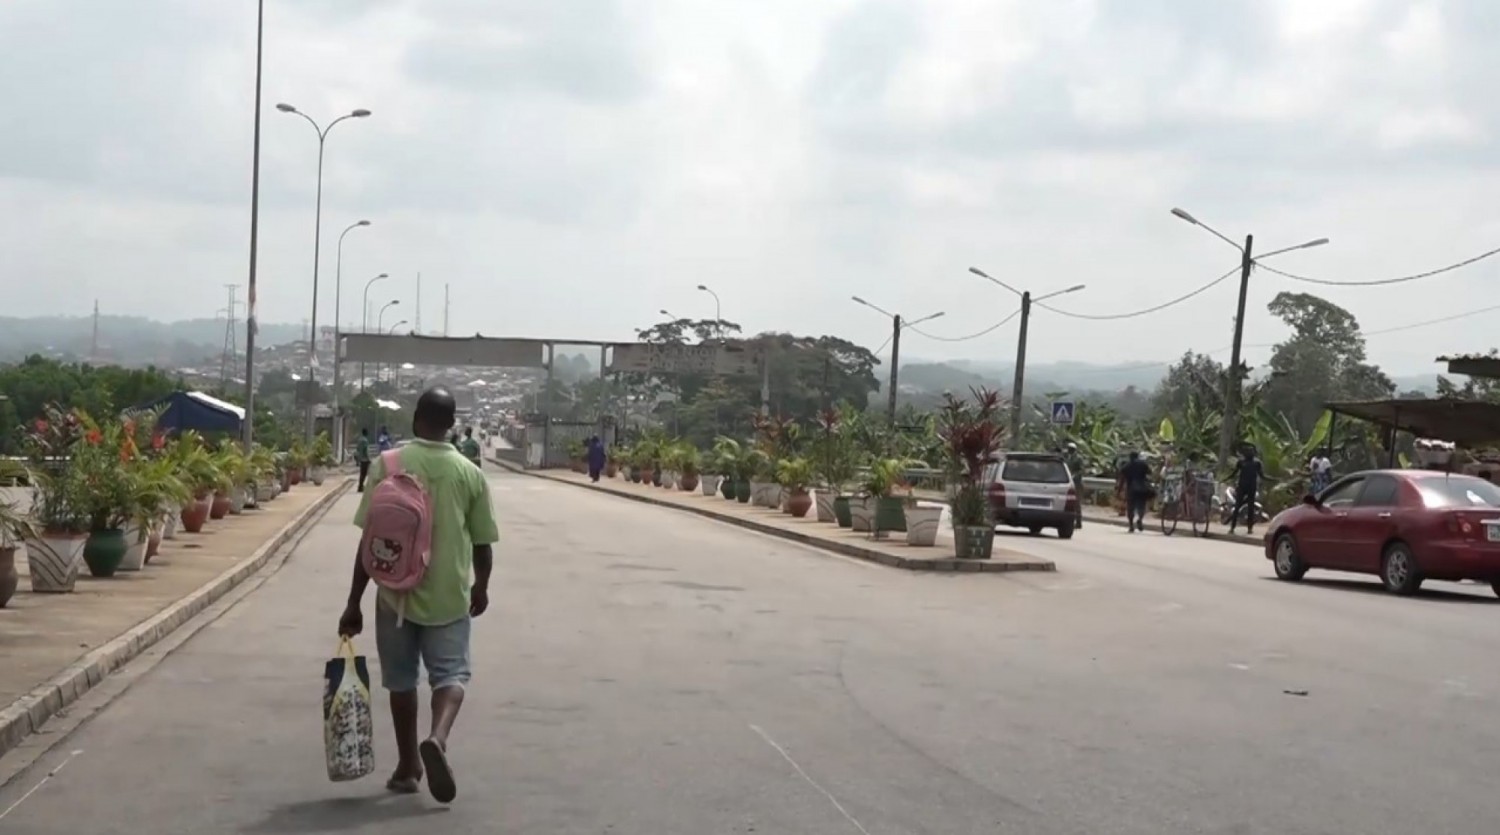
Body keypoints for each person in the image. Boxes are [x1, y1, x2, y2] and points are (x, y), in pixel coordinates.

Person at [338, 387, 499, 803]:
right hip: (447, 596)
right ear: (452, 424)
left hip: (393, 594)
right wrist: (480, 586)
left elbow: (369, 542)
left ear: (415, 420)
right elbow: (483, 544)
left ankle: (408, 766)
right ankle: (439, 738)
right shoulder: (469, 473)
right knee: (451, 676)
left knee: (401, 682)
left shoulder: (387, 464)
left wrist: (354, 601)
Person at [1227, 447, 1264, 535]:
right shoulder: (1241, 462)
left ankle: (1249, 528)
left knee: (1250, 508)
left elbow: (1262, 475)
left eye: (1251, 452)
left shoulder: (1257, 463)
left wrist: (1273, 479)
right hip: (1242, 487)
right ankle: (1232, 527)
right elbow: (1234, 473)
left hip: (1251, 487)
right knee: (1237, 507)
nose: (1250, 453)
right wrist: (1226, 478)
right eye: (1248, 452)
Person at [1119, 451, 1152, 533]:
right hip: (1142, 488)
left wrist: (1119, 490)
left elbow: (1122, 478)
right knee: (1141, 506)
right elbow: (1150, 473)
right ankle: (1140, 519)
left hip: (1131, 489)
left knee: (1130, 508)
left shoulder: (1127, 466)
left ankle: (1131, 525)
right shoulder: (1143, 464)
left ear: (1130, 457)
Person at [1064, 442, 1084, 529]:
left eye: (1071, 449)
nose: (1069, 450)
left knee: (1077, 503)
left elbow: (1081, 470)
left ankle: (1079, 521)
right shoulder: (1066, 458)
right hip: (1068, 482)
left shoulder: (1078, 459)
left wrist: (1074, 476)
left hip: (1077, 483)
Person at [354, 428, 372, 492]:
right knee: (364, 474)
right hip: (365, 459)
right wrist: (369, 459)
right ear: (366, 433)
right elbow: (366, 451)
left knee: (362, 473)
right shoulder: (365, 441)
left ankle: (360, 486)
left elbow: (357, 449)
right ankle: (361, 486)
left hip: (360, 459)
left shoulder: (359, 440)